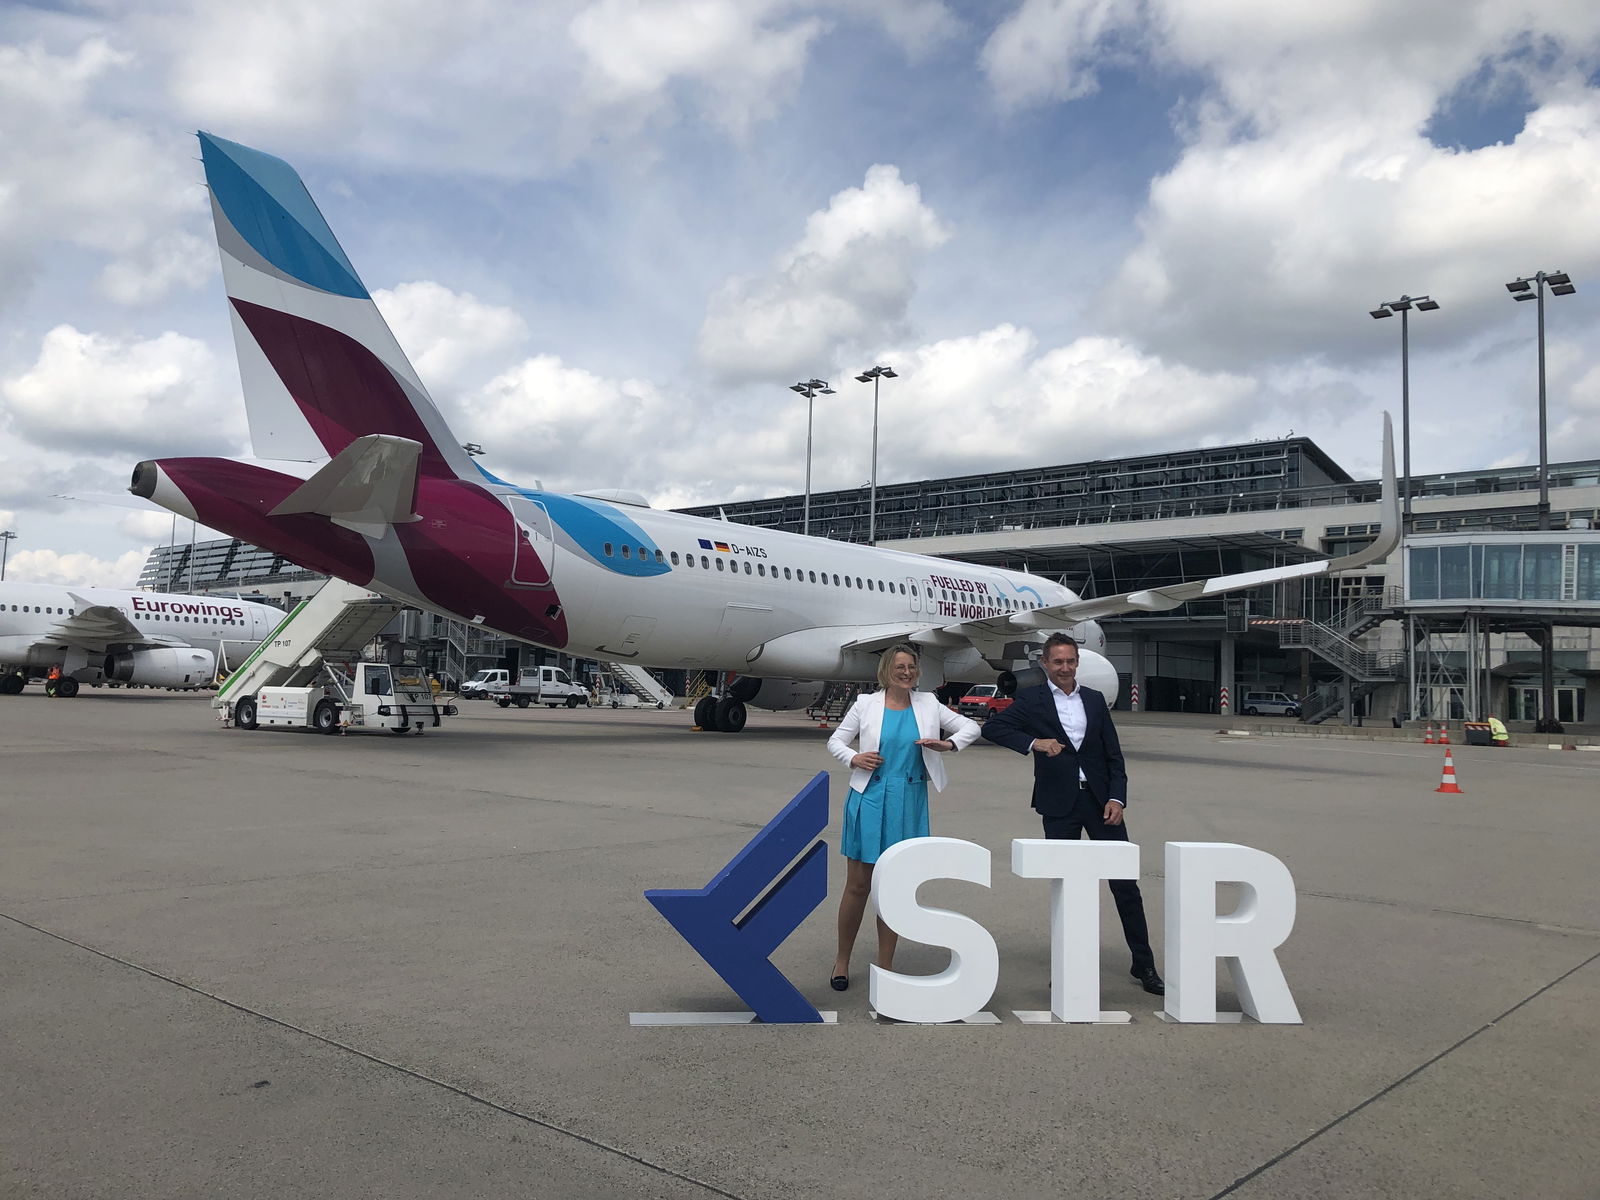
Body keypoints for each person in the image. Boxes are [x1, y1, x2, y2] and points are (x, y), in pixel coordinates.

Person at [982, 633, 1165, 996]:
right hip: (1059, 805)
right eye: (1058, 662)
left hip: (1101, 804)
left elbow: (1113, 756)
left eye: (1070, 661)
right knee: (1067, 887)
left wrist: (1118, 798)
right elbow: (993, 727)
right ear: (1045, 664)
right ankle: (1067, 964)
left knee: (1125, 885)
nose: (1065, 668)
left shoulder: (1094, 701)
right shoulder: (1031, 700)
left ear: (1077, 662)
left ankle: (1143, 963)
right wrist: (1035, 743)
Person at [825, 643, 982, 991]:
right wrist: (854, 758)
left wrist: (950, 744)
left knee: (893, 886)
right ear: (886, 670)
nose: (907, 672)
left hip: (910, 800)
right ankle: (842, 961)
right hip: (870, 796)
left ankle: (886, 965)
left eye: (911, 666)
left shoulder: (928, 703)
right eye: (900, 667)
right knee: (858, 886)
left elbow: (971, 728)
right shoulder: (866, 704)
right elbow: (836, 741)